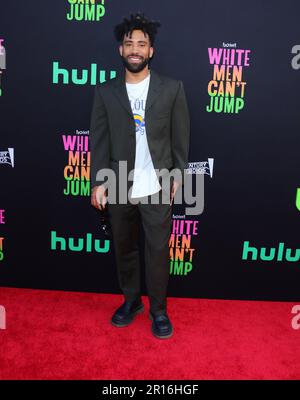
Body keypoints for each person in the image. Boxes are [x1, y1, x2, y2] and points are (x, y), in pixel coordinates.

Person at [90, 12, 190, 339]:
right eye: (129, 43)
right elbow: (100, 140)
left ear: (151, 51)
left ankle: (158, 310)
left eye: (142, 44)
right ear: (121, 50)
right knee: (125, 249)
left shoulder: (172, 89)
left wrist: (178, 175)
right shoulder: (105, 92)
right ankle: (131, 301)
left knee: (158, 251)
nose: (135, 49)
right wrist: (99, 183)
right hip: (119, 185)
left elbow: (180, 138)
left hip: (157, 186)